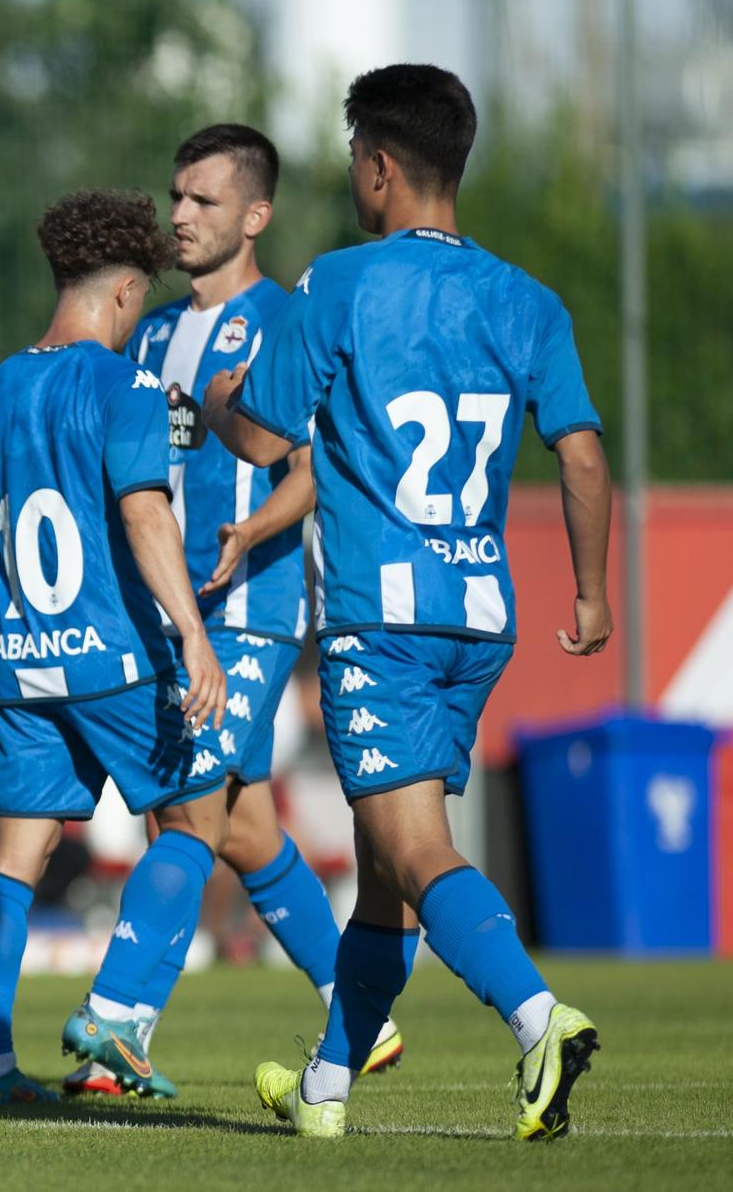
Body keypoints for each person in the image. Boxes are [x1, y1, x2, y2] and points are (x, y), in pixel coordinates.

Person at [0, 125, 403, 1092]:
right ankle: (324, 1009)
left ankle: (101, 1041)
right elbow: (97, 472)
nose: (182, 215)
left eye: (203, 200)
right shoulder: (147, 340)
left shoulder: (286, 323)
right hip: (146, 615)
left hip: (245, 603)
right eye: (176, 197)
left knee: (190, 818)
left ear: (255, 215)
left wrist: (249, 535)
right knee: (227, 820)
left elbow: (308, 469)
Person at [203, 64, 610, 1141]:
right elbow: (577, 455)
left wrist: (213, 397)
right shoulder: (527, 298)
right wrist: (589, 588)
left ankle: (538, 1018)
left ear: (377, 165)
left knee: (417, 851)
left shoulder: (336, 284)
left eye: (350, 161)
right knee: (382, 875)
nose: (350, 178)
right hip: (478, 616)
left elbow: (259, 437)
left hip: (378, 619)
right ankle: (325, 1086)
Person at [0, 189, 231, 1108]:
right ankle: (114, 1008)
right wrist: (191, 630)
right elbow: (144, 512)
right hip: (117, 656)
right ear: (130, 291)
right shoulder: (124, 383)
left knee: (13, 857)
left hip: (22, 657)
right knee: (196, 822)